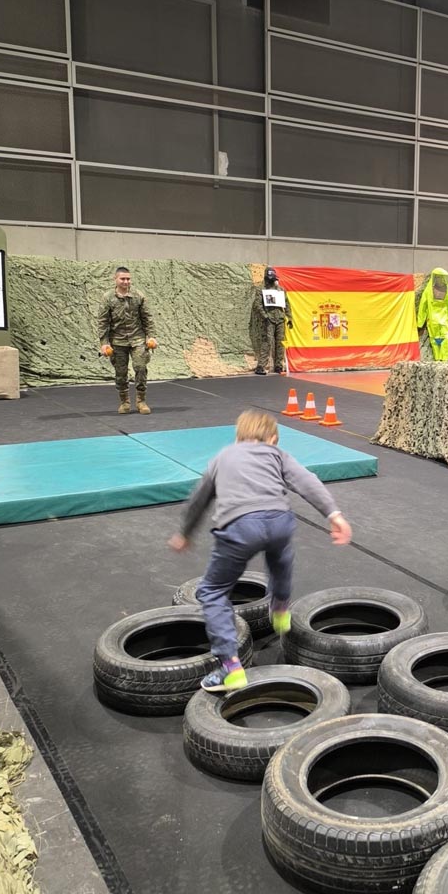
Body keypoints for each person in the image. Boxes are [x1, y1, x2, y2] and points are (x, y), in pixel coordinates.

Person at [168, 409, 353, 691]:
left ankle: (230, 667)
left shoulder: (223, 456)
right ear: (273, 437)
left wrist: (185, 532)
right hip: (279, 521)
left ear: (239, 436)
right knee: (280, 560)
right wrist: (334, 515)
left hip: (239, 528)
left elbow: (199, 499)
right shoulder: (276, 454)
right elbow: (307, 481)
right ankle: (280, 608)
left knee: (213, 591)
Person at [97, 266, 157, 415]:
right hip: (117, 341)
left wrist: (151, 336)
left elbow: (147, 318)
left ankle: (141, 401)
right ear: (115, 279)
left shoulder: (139, 296)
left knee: (141, 367)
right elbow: (103, 322)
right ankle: (124, 402)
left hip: (137, 339)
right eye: (122, 279)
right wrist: (104, 343)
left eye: (128, 279)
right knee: (120, 372)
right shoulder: (108, 298)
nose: (126, 281)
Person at [417, 268, 448, 362]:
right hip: (437, 321)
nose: (440, 280)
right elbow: (423, 306)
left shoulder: (447, 289)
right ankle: (439, 360)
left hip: (441, 321)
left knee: (443, 339)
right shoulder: (430, 290)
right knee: (437, 340)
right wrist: (420, 322)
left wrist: (420, 323)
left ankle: (442, 360)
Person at [254, 267, 292, 375]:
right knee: (267, 343)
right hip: (268, 319)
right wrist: (264, 315)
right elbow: (258, 304)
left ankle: (279, 366)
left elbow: (287, 304)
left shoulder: (280, 290)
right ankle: (261, 366)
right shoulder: (261, 290)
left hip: (280, 319)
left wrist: (290, 318)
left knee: (280, 343)